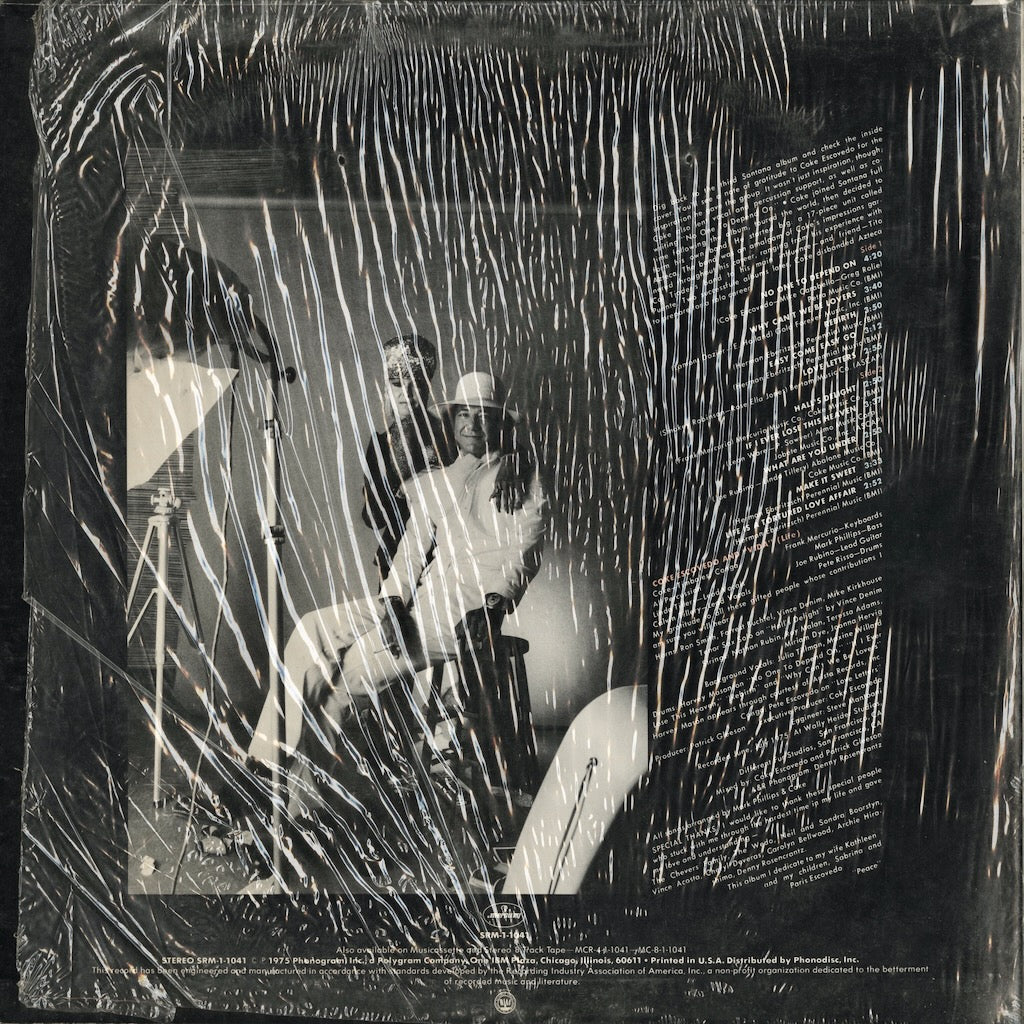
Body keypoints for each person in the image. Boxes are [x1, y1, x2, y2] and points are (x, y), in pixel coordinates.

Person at [247, 372, 547, 890]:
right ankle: (269, 768)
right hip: (416, 601)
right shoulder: (442, 475)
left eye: (483, 415)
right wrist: (389, 603)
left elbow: (526, 553)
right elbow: (410, 553)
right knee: (312, 631)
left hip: (462, 614)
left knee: (342, 683)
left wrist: (495, 603)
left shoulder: (523, 476)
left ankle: (293, 809)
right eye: (463, 413)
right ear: (452, 420)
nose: (472, 424)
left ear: (501, 422)